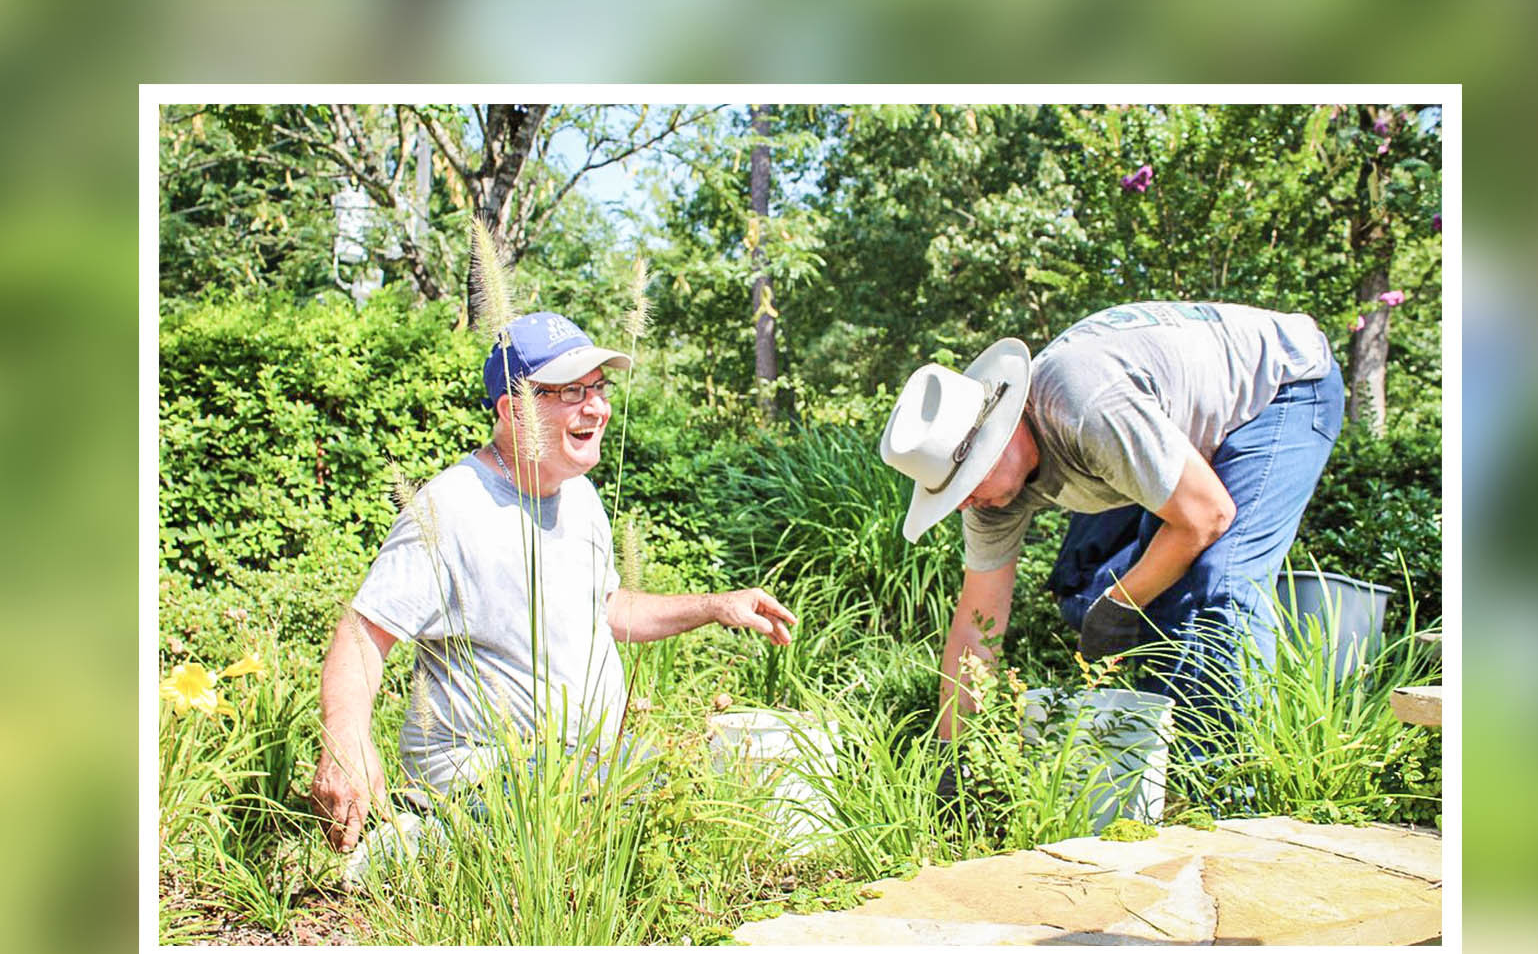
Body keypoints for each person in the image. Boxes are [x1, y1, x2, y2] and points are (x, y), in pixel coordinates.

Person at [311, 311, 797, 853]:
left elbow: (608, 609)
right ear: (510, 408)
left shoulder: (579, 494)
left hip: (586, 762)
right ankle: (409, 848)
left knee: (728, 795)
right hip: (484, 775)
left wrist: (715, 605)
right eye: (569, 391)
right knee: (644, 831)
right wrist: (346, 743)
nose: (597, 406)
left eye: (598, 386)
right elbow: (361, 634)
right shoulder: (450, 510)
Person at [879, 300, 1343, 743]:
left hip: (1284, 386)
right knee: (1150, 592)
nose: (965, 503)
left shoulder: (1083, 406)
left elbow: (1208, 515)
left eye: (966, 482)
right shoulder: (988, 497)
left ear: (998, 434)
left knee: (1221, 580)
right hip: (1174, 429)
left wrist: (1119, 602)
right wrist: (954, 756)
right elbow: (976, 628)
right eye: (952, 493)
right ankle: (1169, 771)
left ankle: (1236, 789)